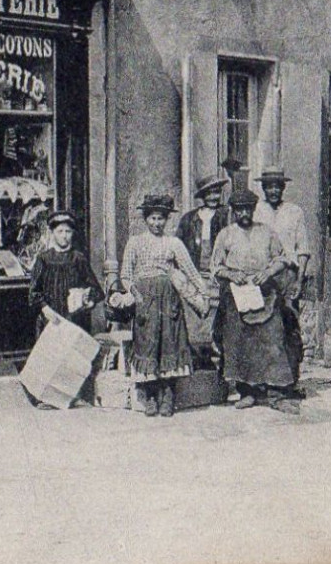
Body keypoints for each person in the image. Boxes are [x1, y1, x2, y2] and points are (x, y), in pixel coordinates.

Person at [113, 193, 206, 418]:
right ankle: (151, 397)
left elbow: (190, 270)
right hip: (144, 300)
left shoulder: (173, 243)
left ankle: (168, 396)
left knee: (170, 343)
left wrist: (203, 291)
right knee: (147, 345)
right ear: (146, 219)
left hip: (168, 300)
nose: (157, 223)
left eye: (161, 218)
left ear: (167, 220)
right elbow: (125, 275)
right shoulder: (135, 242)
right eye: (153, 218)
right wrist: (135, 294)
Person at [211, 190, 298, 414]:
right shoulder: (225, 235)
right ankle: (247, 391)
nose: (244, 213)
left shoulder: (267, 232)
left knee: (272, 341)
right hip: (237, 295)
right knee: (240, 343)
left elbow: (282, 258)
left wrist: (269, 272)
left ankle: (277, 394)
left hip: (266, 293)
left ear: (254, 209)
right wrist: (231, 275)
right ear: (233, 211)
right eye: (239, 209)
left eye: (248, 209)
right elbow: (216, 267)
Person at [254, 166, 311, 387]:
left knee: (289, 326)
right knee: (263, 328)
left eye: (277, 186)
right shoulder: (257, 210)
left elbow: (303, 249)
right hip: (264, 277)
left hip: (288, 276)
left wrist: (299, 280)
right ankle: (264, 382)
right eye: (269, 186)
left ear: (283, 187)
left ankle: (290, 381)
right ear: (263, 188)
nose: (273, 190)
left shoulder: (294, 211)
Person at [176, 173, 231, 363]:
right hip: (195, 274)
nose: (214, 197)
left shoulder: (226, 215)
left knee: (217, 317)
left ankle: (217, 364)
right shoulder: (189, 219)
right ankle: (198, 359)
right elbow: (179, 247)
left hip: (217, 275)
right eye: (210, 193)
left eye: (217, 192)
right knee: (195, 314)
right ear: (203, 195)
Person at [28, 212, 105, 334]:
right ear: (52, 233)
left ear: (72, 233)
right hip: (50, 321)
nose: (64, 236)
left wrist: (89, 302)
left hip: (76, 322)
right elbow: (34, 292)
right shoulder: (44, 259)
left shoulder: (78, 258)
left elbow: (96, 289)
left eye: (68, 231)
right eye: (60, 231)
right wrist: (46, 309)